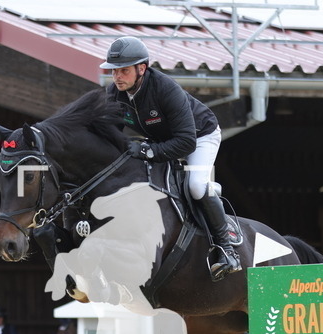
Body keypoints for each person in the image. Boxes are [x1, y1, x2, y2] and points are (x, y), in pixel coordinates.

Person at [100, 36, 242, 281]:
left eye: (123, 70)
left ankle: (226, 251)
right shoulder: (115, 94)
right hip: (163, 140)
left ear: (141, 68)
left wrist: (147, 151)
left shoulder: (165, 88)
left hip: (199, 136)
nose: (117, 77)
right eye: (114, 71)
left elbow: (186, 142)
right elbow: (110, 132)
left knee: (196, 186)